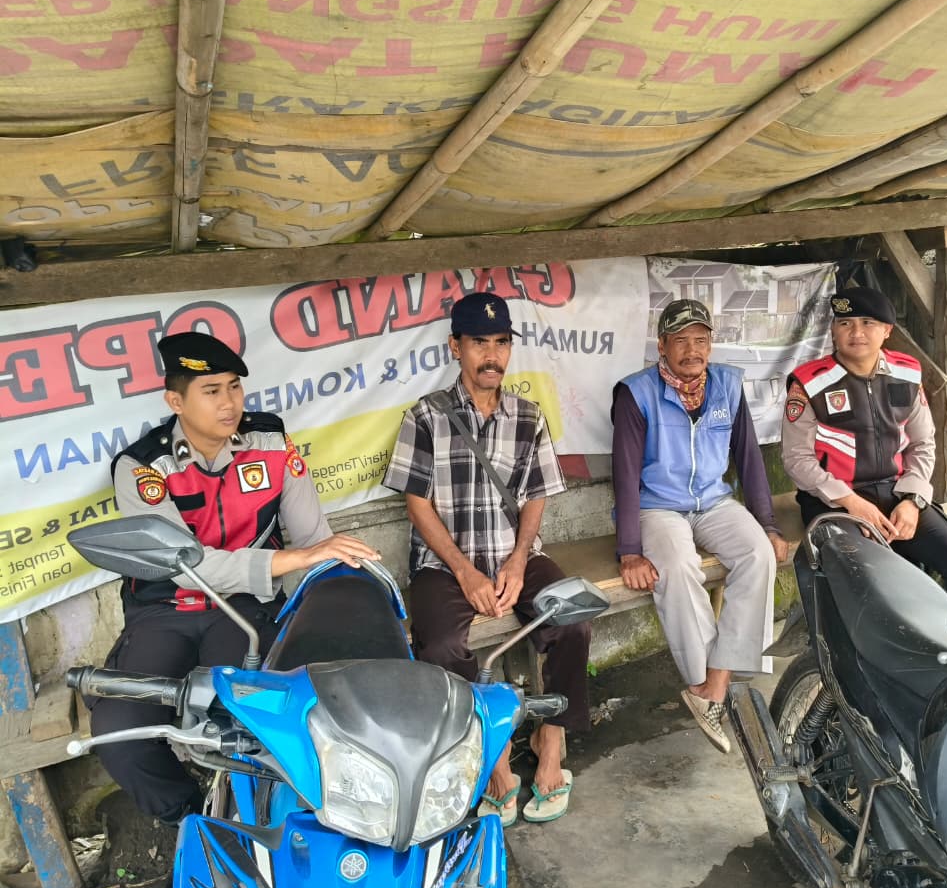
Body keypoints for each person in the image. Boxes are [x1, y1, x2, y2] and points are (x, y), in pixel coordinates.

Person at [96, 331, 379, 825]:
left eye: (234, 387)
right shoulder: (143, 468)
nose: (229, 403)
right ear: (175, 401)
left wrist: (340, 602)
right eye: (211, 391)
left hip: (246, 607)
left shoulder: (271, 443)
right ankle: (193, 821)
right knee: (120, 731)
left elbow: (314, 538)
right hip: (165, 611)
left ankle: (262, 823)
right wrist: (294, 559)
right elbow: (189, 567)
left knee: (256, 719)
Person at [382, 292, 589, 825]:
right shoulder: (425, 416)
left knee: (573, 621)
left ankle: (550, 740)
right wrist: (465, 571)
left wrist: (518, 561)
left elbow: (536, 497)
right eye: (479, 343)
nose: (491, 355)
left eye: (500, 343)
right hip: (445, 565)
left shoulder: (528, 417)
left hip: (514, 555)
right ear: (456, 347)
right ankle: (494, 755)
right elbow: (417, 504)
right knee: (441, 646)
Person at [612, 298, 789, 754]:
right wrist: (629, 550)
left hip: (713, 500)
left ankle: (714, 684)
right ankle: (701, 682)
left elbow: (748, 457)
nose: (692, 350)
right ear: (662, 346)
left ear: (710, 344)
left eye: (701, 340)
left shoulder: (727, 384)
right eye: (681, 341)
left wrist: (768, 524)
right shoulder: (636, 393)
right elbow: (625, 474)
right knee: (676, 566)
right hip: (658, 506)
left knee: (758, 554)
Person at [781, 288, 947, 611]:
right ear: (834, 330)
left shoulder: (907, 373)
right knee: (868, 578)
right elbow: (797, 459)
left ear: (887, 330)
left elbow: (922, 443)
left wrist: (912, 500)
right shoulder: (810, 383)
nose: (856, 333)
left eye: (868, 323)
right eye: (846, 323)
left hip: (897, 494)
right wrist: (850, 502)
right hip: (834, 502)